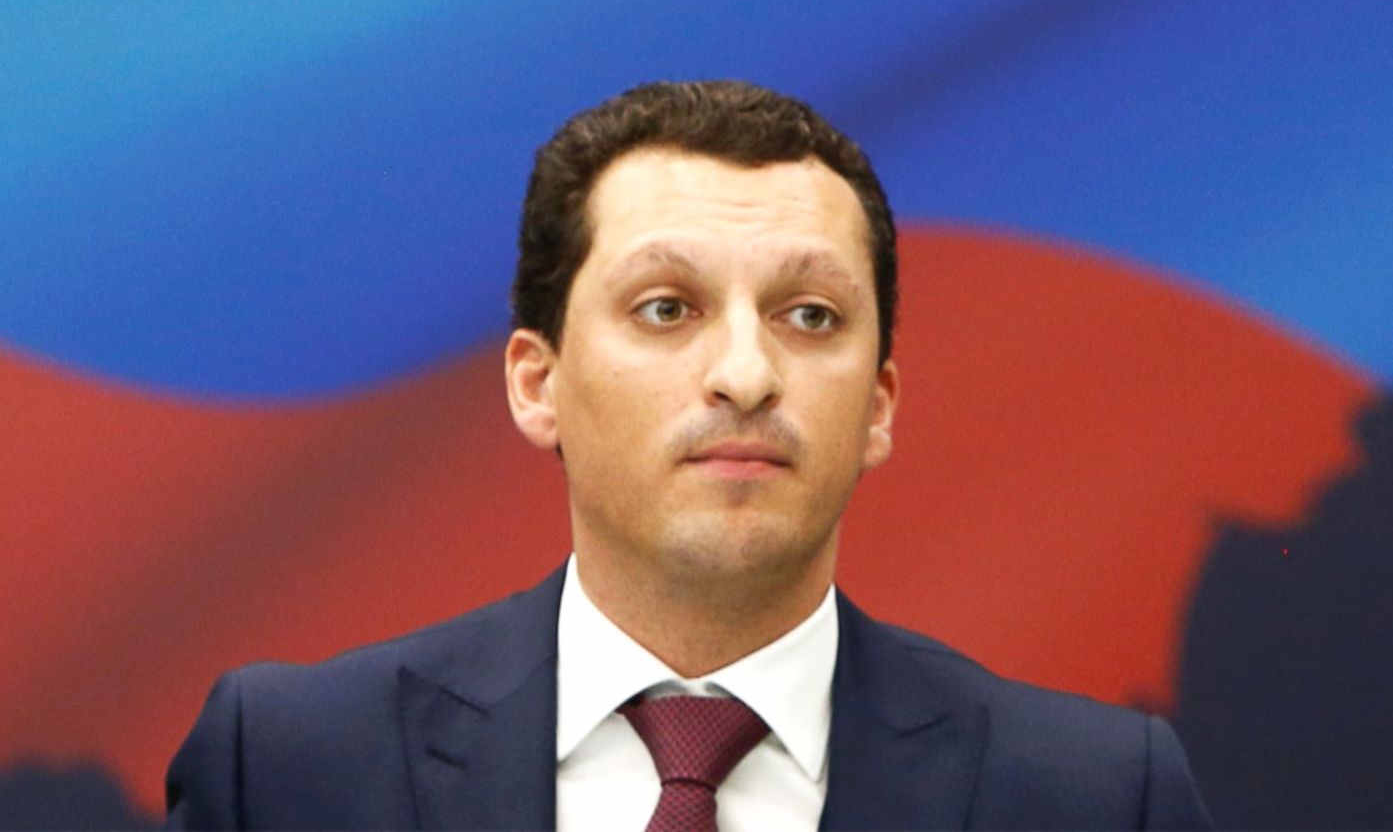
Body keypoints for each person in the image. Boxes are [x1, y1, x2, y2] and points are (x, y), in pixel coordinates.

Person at [164, 80, 1212, 830]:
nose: (746, 374)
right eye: (666, 307)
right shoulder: (289, 769)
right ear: (536, 382)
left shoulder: (1093, 795)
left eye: (810, 314)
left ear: (879, 404)